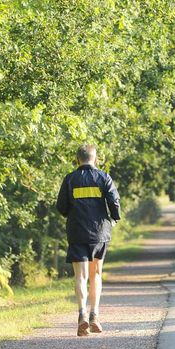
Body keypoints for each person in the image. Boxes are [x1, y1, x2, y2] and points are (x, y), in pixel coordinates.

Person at [56, 144, 121, 337]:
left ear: (77, 159)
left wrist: (73, 213)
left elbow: (61, 207)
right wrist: (114, 217)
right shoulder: (104, 177)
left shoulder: (69, 179)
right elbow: (114, 201)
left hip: (77, 232)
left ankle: (81, 314)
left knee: (80, 277)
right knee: (96, 275)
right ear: (95, 158)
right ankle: (94, 315)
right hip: (99, 233)